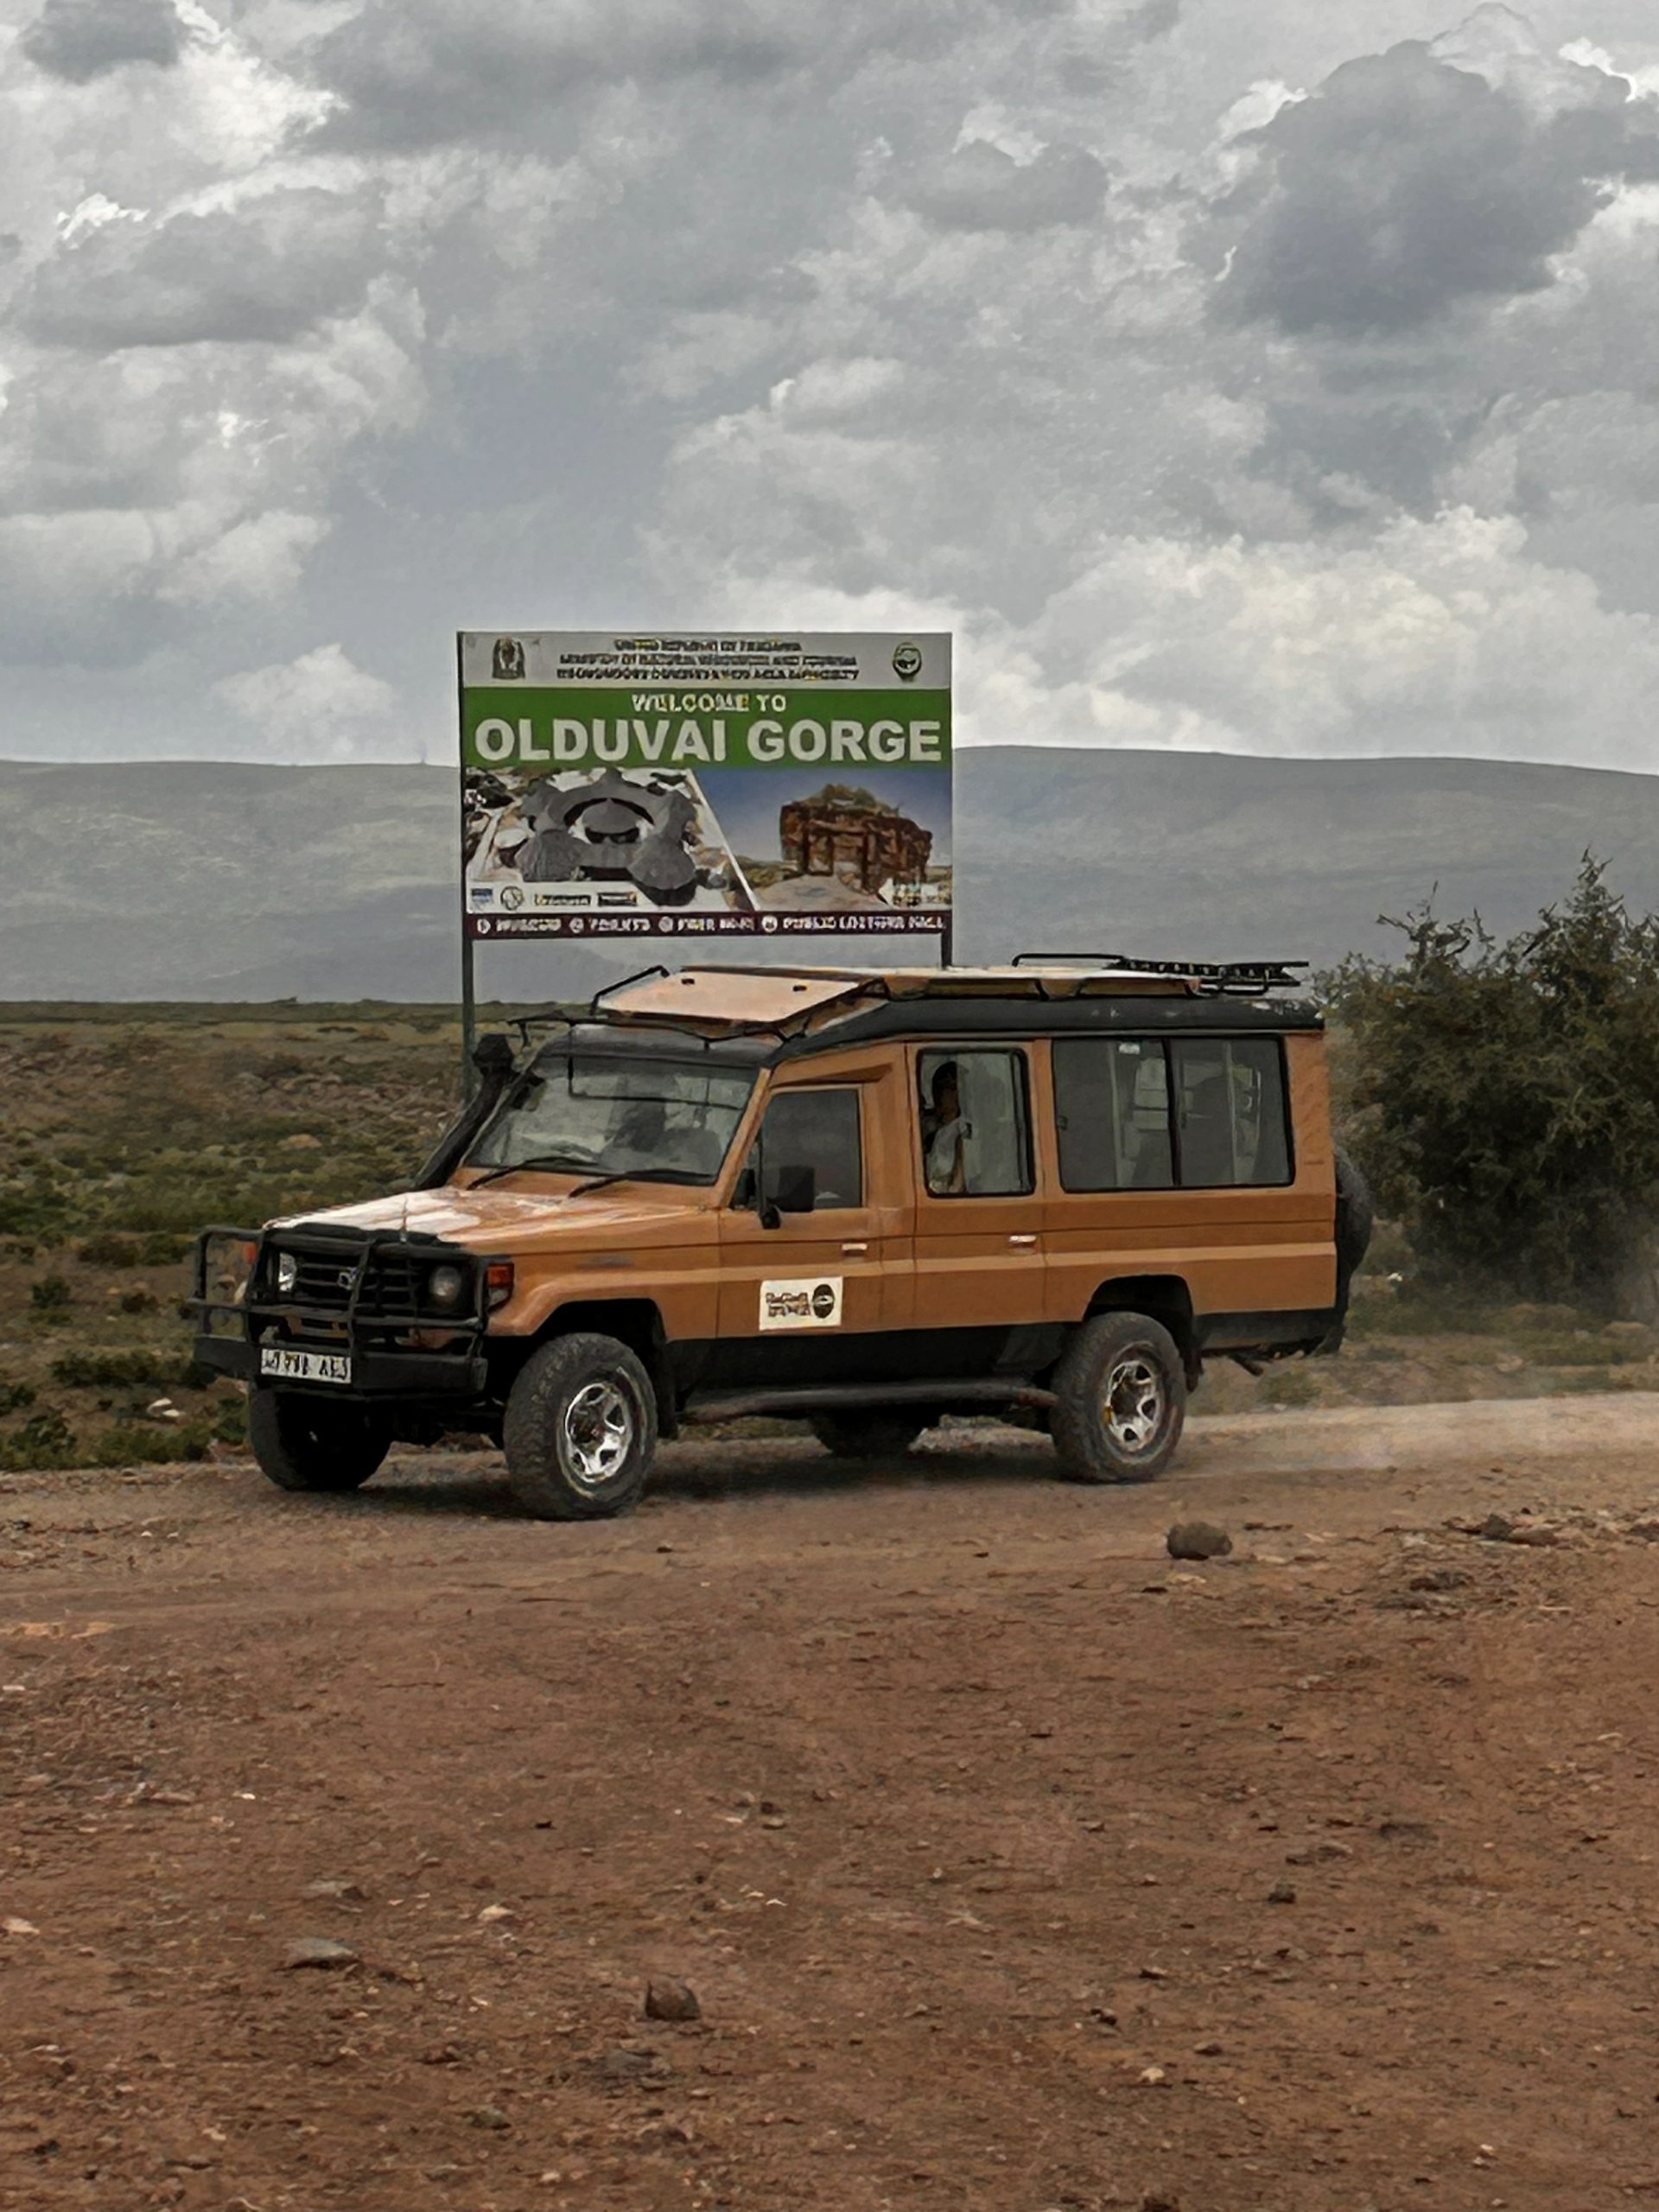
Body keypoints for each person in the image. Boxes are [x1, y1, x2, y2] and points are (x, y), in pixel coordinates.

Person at [923, 1060, 968, 1194]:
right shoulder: (930, 1127)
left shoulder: (962, 1129)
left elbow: (959, 1180)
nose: (945, 1093)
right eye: (941, 1087)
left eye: (951, 1088)